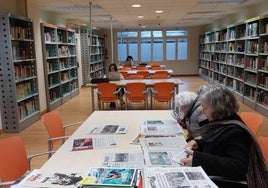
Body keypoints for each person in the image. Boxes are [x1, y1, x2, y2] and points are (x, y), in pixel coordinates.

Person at [180, 86, 268, 188]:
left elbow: (238, 167)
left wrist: (199, 159)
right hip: (216, 174)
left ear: (217, 109)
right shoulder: (222, 123)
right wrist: (199, 143)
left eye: (205, 108)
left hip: (227, 182)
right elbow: (219, 142)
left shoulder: (236, 133)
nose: (203, 111)